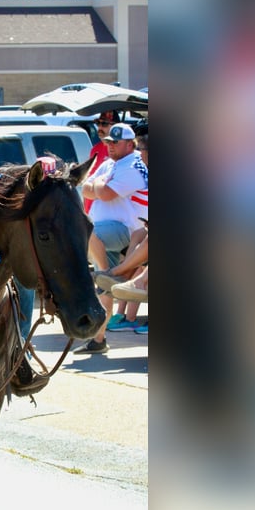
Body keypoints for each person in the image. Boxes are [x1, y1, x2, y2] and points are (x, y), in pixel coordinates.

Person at [74, 123, 148, 354]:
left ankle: (109, 274)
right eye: (108, 141)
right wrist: (98, 185)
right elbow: (83, 187)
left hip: (126, 229)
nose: (111, 145)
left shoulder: (134, 165)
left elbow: (104, 192)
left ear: (131, 144)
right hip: (108, 233)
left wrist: (97, 185)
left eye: (116, 142)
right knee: (103, 288)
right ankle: (99, 339)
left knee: (83, 229)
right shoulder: (109, 163)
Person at [83, 110, 120, 214]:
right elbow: (89, 179)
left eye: (104, 124)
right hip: (90, 210)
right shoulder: (95, 149)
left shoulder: (120, 151)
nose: (99, 128)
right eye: (98, 123)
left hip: (108, 211)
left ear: (116, 127)